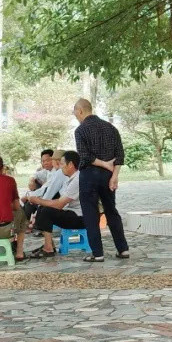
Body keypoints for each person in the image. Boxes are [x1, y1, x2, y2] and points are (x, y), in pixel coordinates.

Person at [73, 98, 130, 262]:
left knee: (91, 214)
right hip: (108, 176)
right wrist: (114, 175)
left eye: (75, 112)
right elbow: (120, 155)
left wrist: (102, 163)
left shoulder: (80, 130)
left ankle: (97, 253)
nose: (76, 115)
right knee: (111, 211)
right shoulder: (111, 128)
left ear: (81, 111)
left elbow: (85, 156)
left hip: (89, 175)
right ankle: (123, 249)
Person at [28, 151, 86, 257]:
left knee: (46, 210)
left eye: (62, 164)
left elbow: (59, 204)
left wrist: (38, 201)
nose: (61, 167)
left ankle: (48, 248)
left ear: (71, 165)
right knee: (43, 208)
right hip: (73, 212)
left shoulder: (77, 180)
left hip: (81, 217)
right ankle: (49, 245)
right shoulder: (71, 178)